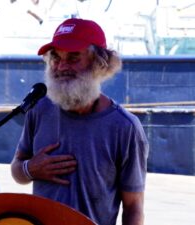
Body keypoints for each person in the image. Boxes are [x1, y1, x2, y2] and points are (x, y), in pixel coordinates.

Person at [11, 18, 149, 225]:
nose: (62, 66)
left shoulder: (125, 128)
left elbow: (134, 207)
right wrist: (30, 169)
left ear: (99, 64)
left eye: (73, 57)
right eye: (56, 57)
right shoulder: (38, 109)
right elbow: (17, 170)